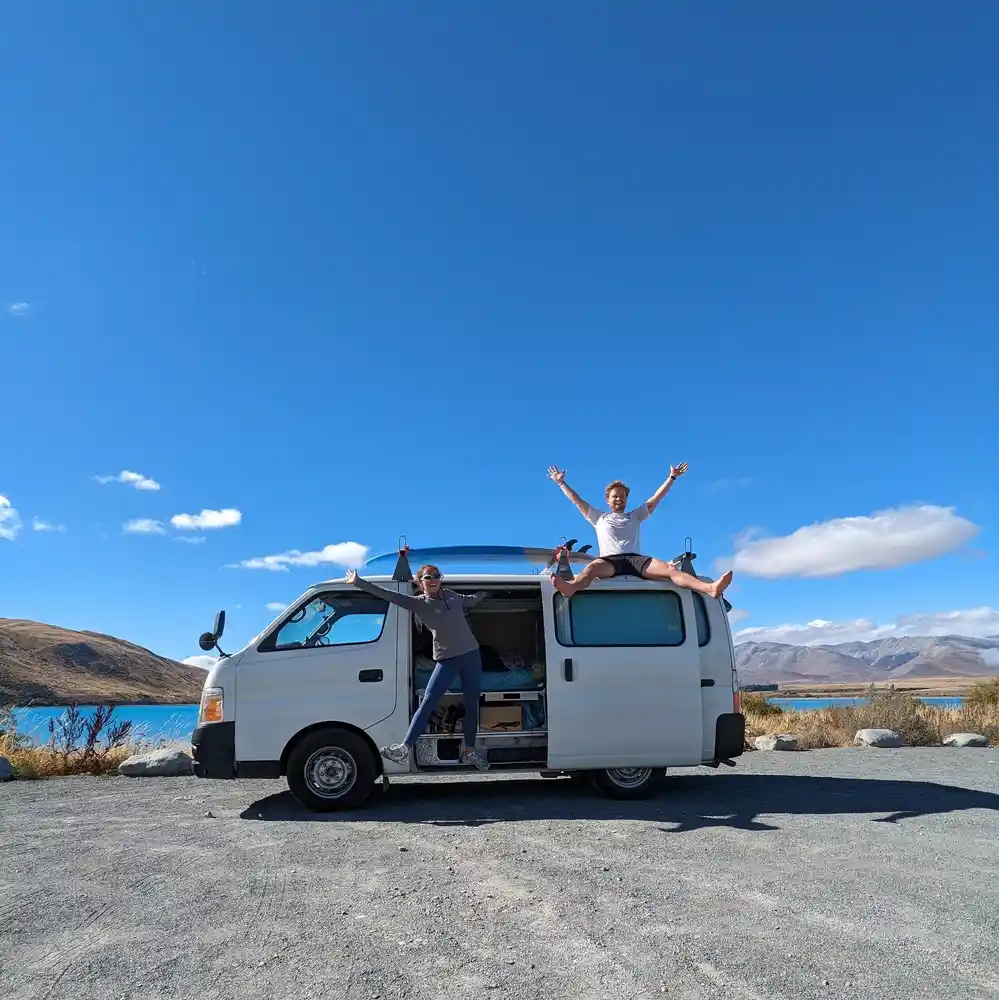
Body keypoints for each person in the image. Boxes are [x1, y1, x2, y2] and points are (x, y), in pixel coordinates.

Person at [345, 564, 490, 770]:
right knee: (428, 701)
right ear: (420, 582)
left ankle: (470, 751)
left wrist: (490, 591)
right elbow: (387, 595)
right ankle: (404, 748)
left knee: (472, 704)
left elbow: (471, 600)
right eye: (428, 577)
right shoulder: (419, 603)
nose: (433, 580)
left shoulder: (450, 595)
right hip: (447, 659)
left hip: (471, 656)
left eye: (436, 576)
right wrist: (358, 582)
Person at [546, 463, 734, 599]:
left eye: (622, 496)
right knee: (591, 569)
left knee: (670, 569)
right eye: (615, 496)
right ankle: (570, 588)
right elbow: (576, 500)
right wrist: (561, 483)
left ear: (626, 499)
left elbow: (656, 498)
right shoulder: (598, 517)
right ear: (607, 500)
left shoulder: (636, 515)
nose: (618, 499)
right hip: (610, 561)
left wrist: (672, 477)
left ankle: (710, 588)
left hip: (636, 560)